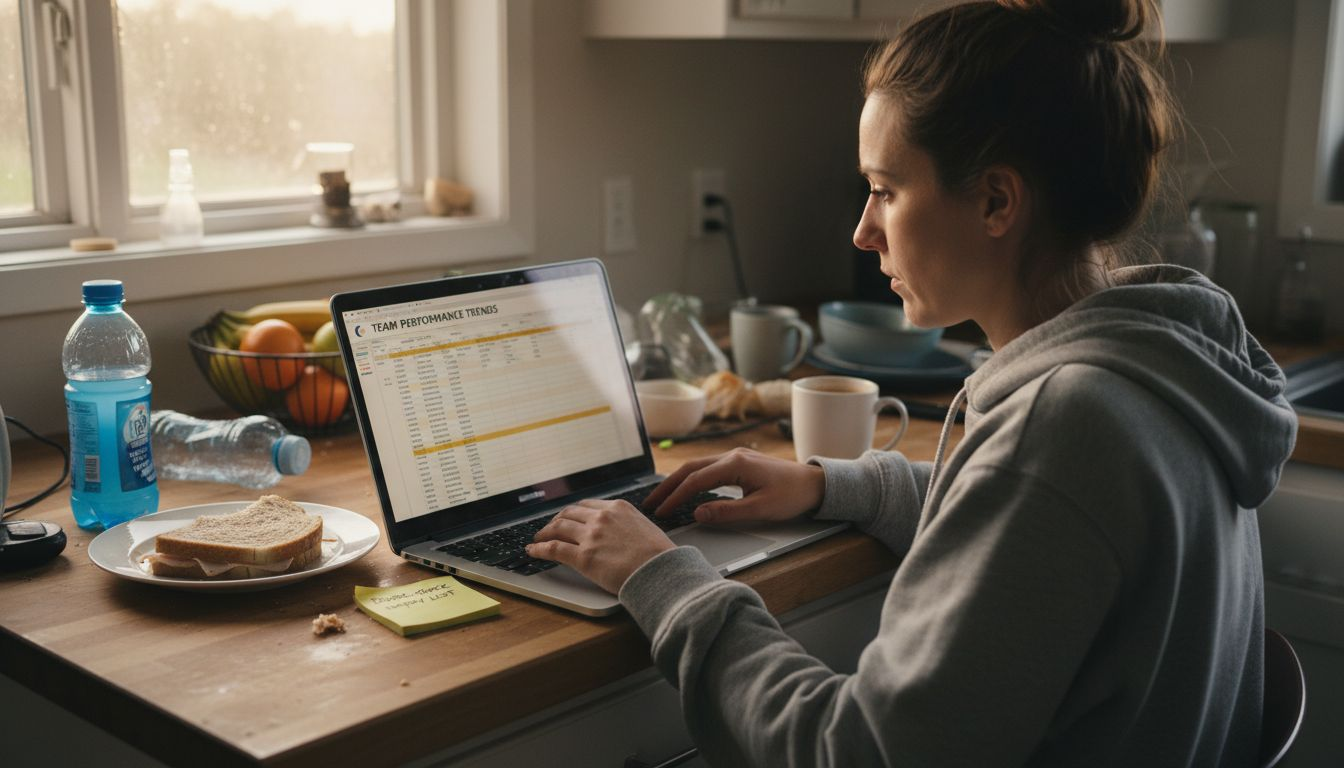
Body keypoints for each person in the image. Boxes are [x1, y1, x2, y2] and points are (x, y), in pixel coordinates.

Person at [527, 0, 1298, 764]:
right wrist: (833, 486)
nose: (863, 230)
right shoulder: (1166, 359)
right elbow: (1036, 534)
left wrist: (663, 579)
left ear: (997, 200)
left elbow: (855, 753)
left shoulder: (1063, 426)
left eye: (886, 190)